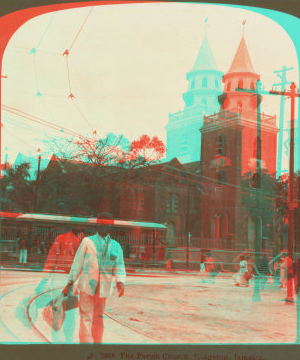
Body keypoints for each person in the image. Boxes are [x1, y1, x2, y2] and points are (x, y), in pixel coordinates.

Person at [62, 212, 126, 343]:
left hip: (103, 289)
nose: (103, 227)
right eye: (100, 224)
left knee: (99, 317)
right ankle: (85, 347)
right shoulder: (87, 241)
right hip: (87, 287)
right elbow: (77, 263)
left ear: (110, 227)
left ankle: (97, 345)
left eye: (106, 225)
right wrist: (69, 283)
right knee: (85, 317)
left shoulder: (116, 246)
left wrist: (120, 282)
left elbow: (119, 266)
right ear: (97, 225)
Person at [35, 224, 85, 343]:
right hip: (59, 281)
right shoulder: (61, 238)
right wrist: (44, 280)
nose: (78, 225)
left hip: (76, 284)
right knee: (58, 313)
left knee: (71, 315)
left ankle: (68, 343)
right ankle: (56, 343)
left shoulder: (86, 241)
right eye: (75, 221)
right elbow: (51, 259)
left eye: (80, 222)